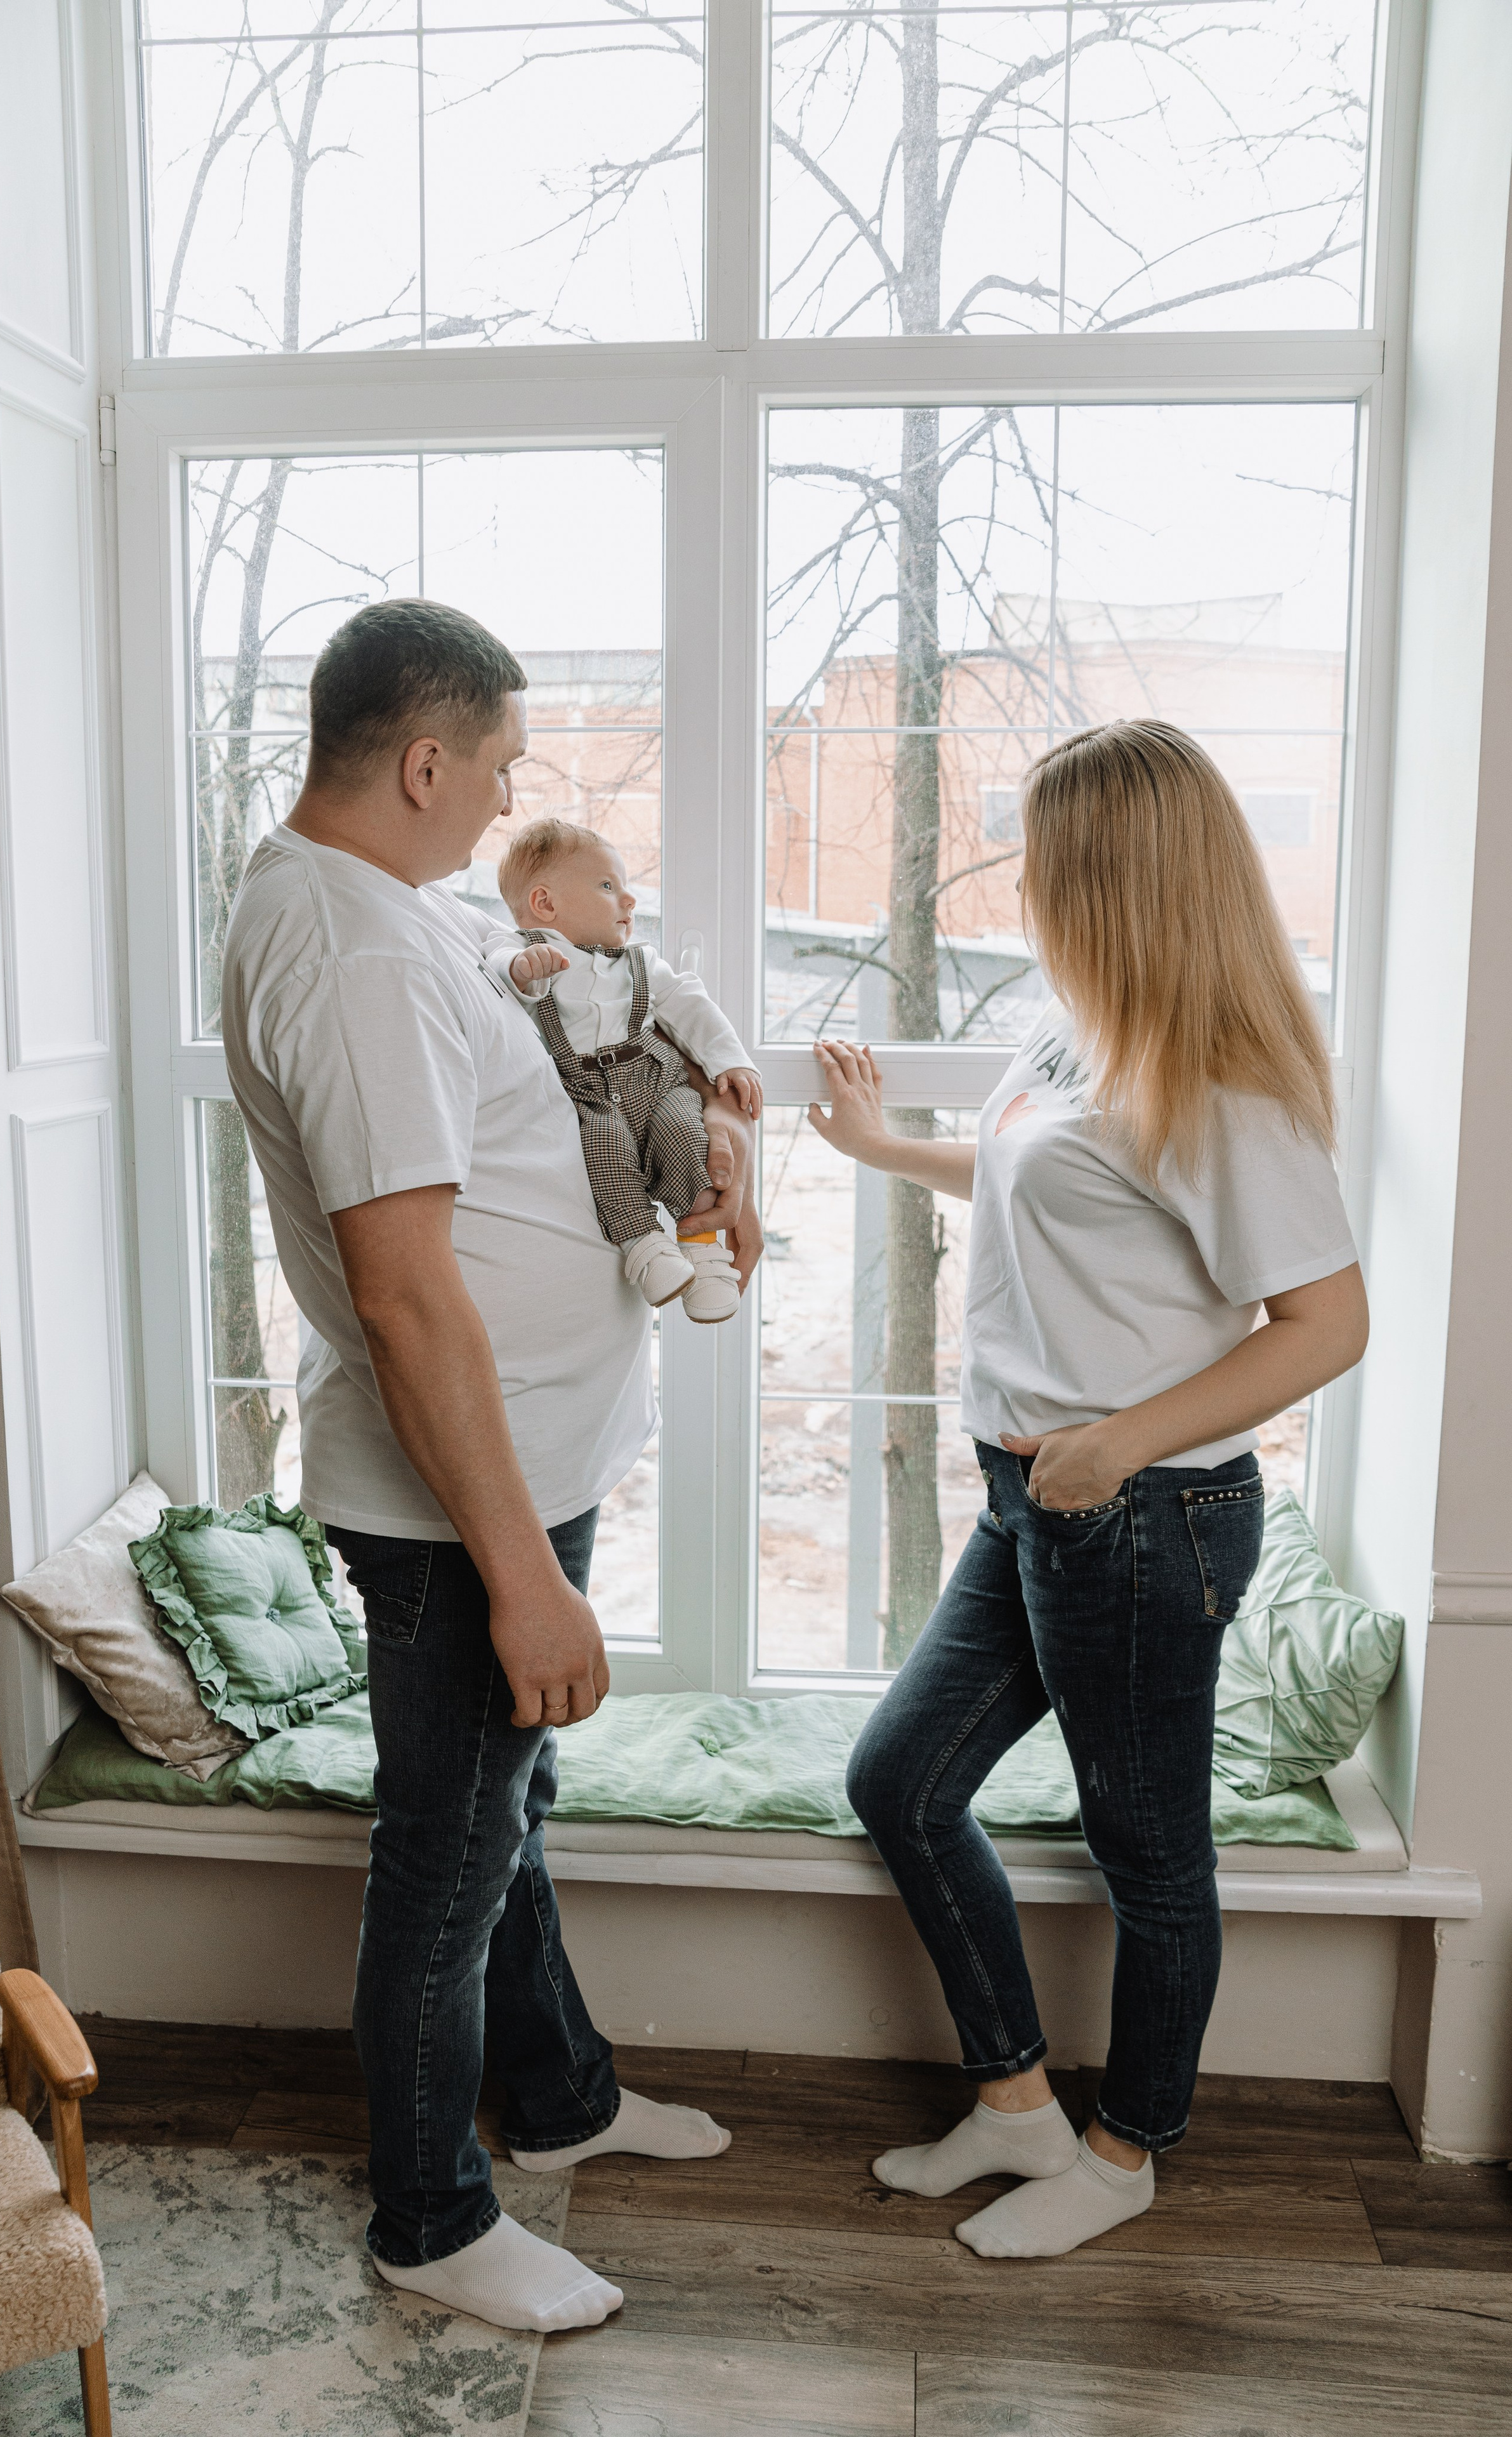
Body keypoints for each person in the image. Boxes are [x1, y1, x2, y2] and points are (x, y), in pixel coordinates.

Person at [220, 598, 758, 2333]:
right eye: (502, 763)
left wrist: (710, 1146)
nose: (511, 796)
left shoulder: (387, 907)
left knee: (497, 1819)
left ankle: (559, 2096)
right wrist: (521, 1576)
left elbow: (553, 1086)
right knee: (446, 1860)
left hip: (516, 1467)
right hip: (463, 1509)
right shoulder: (357, 953)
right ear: (424, 759)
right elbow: (402, 1290)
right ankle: (432, 2219)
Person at [809, 718, 1369, 2260]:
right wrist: (883, 1149)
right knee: (899, 1781)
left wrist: (1116, 1444)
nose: (1025, 883)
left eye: (1047, 858)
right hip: (1035, 1500)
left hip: (1141, 1518)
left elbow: (1324, 1325)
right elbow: (1038, 1184)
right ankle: (1013, 2105)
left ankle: (1123, 2153)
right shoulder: (1073, 1031)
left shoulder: (1225, 1086)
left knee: (1150, 1859)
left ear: (1116, 875)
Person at [482, 816, 763, 1324]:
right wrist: (522, 969)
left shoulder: (640, 962)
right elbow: (497, 961)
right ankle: (646, 1247)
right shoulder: (522, 950)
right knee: (605, 1154)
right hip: (589, 1094)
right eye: (608, 886)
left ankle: (703, 1252)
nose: (629, 900)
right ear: (545, 903)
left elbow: (691, 1004)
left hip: (657, 1080)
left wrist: (731, 1059)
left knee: (687, 1136)